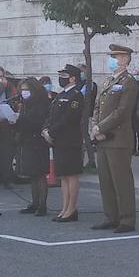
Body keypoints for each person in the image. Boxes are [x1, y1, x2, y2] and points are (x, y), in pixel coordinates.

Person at [91, 44, 139, 233]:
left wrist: (101, 127)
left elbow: (122, 111)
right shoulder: (107, 81)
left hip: (118, 138)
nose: (111, 59)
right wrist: (95, 126)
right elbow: (97, 106)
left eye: (115, 56)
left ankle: (126, 219)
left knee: (121, 181)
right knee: (106, 180)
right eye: (111, 56)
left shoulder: (128, 82)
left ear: (125, 59)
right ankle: (110, 216)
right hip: (103, 138)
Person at [43, 64, 86, 221]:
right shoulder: (60, 95)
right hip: (59, 141)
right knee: (63, 176)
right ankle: (64, 207)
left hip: (70, 141)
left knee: (71, 175)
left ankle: (71, 209)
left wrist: (51, 132)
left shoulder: (76, 96)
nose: (61, 79)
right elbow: (52, 115)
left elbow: (68, 119)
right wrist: (46, 129)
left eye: (64, 76)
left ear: (73, 78)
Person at [16, 77, 53, 217]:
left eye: (26, 90)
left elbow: (38, 121)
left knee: (40, 174)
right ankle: (34, 203)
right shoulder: (25, 103)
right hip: (27, 140)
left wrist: (22, 120)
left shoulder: (41, 102)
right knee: (32, 174)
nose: (24, 92)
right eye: (22, 90)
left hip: (38, 140)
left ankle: (42, 205)